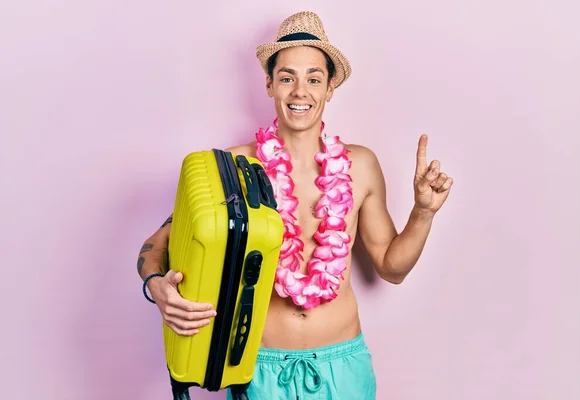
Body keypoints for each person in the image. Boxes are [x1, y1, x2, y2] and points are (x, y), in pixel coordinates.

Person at [137, 11, 453, 400]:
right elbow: (158, 243)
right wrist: (158, 287)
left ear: (329, 88)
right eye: (287, 77)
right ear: (269, 84)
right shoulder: (231, 168)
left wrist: (423, 212)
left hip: (344, 368)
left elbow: (391, 267)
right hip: (258, 367)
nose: (300, 91)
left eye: (313, 79)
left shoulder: (362, 165)